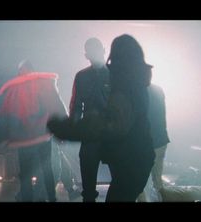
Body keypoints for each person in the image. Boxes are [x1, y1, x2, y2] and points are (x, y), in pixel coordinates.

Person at [48, 34, 155, 202]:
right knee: (109, 185)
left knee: (111, 186)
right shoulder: (128, 78)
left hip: (105, 136)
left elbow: (111, 120)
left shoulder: (117, 77)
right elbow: (77, 107)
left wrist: (69, 130)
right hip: (116, 142)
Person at [0, 60, 67, 202]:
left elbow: (7, 112)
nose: (20, 73)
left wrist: (2, 136)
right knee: (44, 171)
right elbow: (56, 106)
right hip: (39, 137)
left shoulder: (17, 88)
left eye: (21, 70)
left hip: (26, 139)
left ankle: (38, 198)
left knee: (31, 173)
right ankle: (50, 198)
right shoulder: (43, 85)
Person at [68, 37, 111, 202]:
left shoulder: (82, 76)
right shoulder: (113, 73)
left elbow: (76, 106)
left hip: (100, 133)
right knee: (114, 178)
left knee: (89, 180)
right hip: (104, 133)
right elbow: (76, 106)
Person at [138, 83, 170, 202]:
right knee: (157, 180)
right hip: (160, 139)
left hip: (143, 141)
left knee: (138, 180)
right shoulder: (158, 89)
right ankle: (163, 199)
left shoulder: (136, 91)